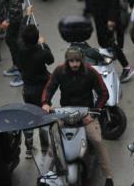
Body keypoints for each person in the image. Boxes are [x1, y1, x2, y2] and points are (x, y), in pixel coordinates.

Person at [42, 46, 114, 186]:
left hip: (86, 113)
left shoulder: (90, 72)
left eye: (77, 61)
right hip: (66, 113)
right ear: (67, 61)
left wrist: (93, 113)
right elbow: (49, 88)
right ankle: (46, 174)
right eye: (71, 61)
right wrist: (45, 103)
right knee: (54, 143)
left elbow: (104, 93)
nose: (74, 64)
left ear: (81, 61)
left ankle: (108, 176)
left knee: (97, 141)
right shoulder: (59, 71)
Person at [16, 24, 52, 158]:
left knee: (30, 116)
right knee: (43, 117)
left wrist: (27, 16)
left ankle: (29, 149)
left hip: (27, 89)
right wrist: (44, 44)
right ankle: (44, 147)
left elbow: (20, 36)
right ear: (36, 38)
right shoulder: (41, 52)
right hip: (42, 89)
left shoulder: (20, 48)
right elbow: (51, 59)